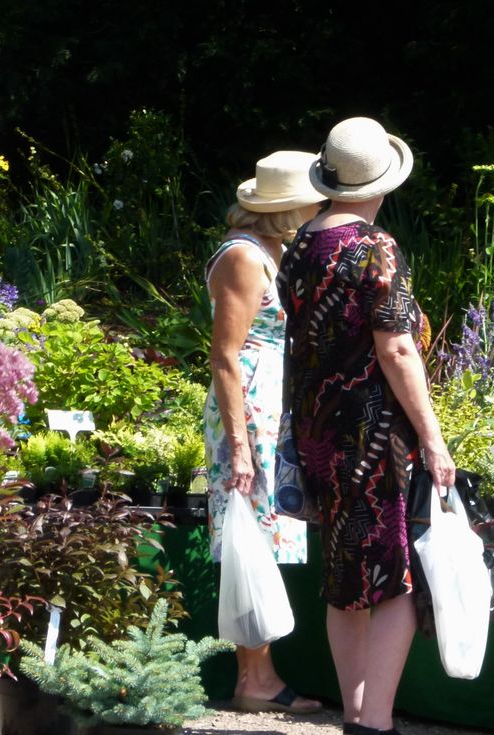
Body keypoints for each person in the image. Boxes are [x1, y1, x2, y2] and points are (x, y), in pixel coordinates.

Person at [277, 117, 456, 735]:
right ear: (383, 181)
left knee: (342, 575)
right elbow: (398, 349)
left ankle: (356, 714)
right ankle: (373, 722)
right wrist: (432, 437)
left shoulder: (301, 243)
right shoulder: (373, 247)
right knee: (394, 576)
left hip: (319, 432)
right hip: (374, 437)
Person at [204, 150, 325, 715]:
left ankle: (260, 674)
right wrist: (241, 444)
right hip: (249, 410)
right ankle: (255, 679)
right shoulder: (244, 258)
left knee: (264, 541)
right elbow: (226, 356)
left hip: (272, 411)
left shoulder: (273, 254)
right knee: (250, 538)